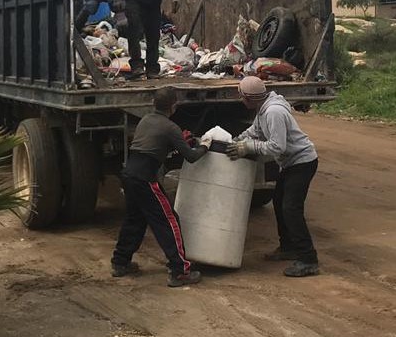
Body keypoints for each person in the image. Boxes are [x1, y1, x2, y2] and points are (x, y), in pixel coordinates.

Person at [112, 87, 206, 287]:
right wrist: (204, 146)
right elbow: (190, 157)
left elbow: (155, 145)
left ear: (154, 104)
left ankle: (120, 262)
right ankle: (180, 271)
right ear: (174, 106)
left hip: (129, 174)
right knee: (168, 221)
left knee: (134, 219)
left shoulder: (146, 120)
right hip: (145, 178)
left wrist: (180, 142)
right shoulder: (170, 127)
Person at [227, 77, 320, 277]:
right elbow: (254, 131)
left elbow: (278, 146)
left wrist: (248, 147)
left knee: (291, 208)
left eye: (242, 96)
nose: (241, 100)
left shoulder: (273, 112)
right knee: (278, 202)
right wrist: (235, 141)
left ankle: (308, 258)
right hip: (290, 163)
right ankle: (288, 247)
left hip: (302, 162)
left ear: (250, 98)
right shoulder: (263, 109)